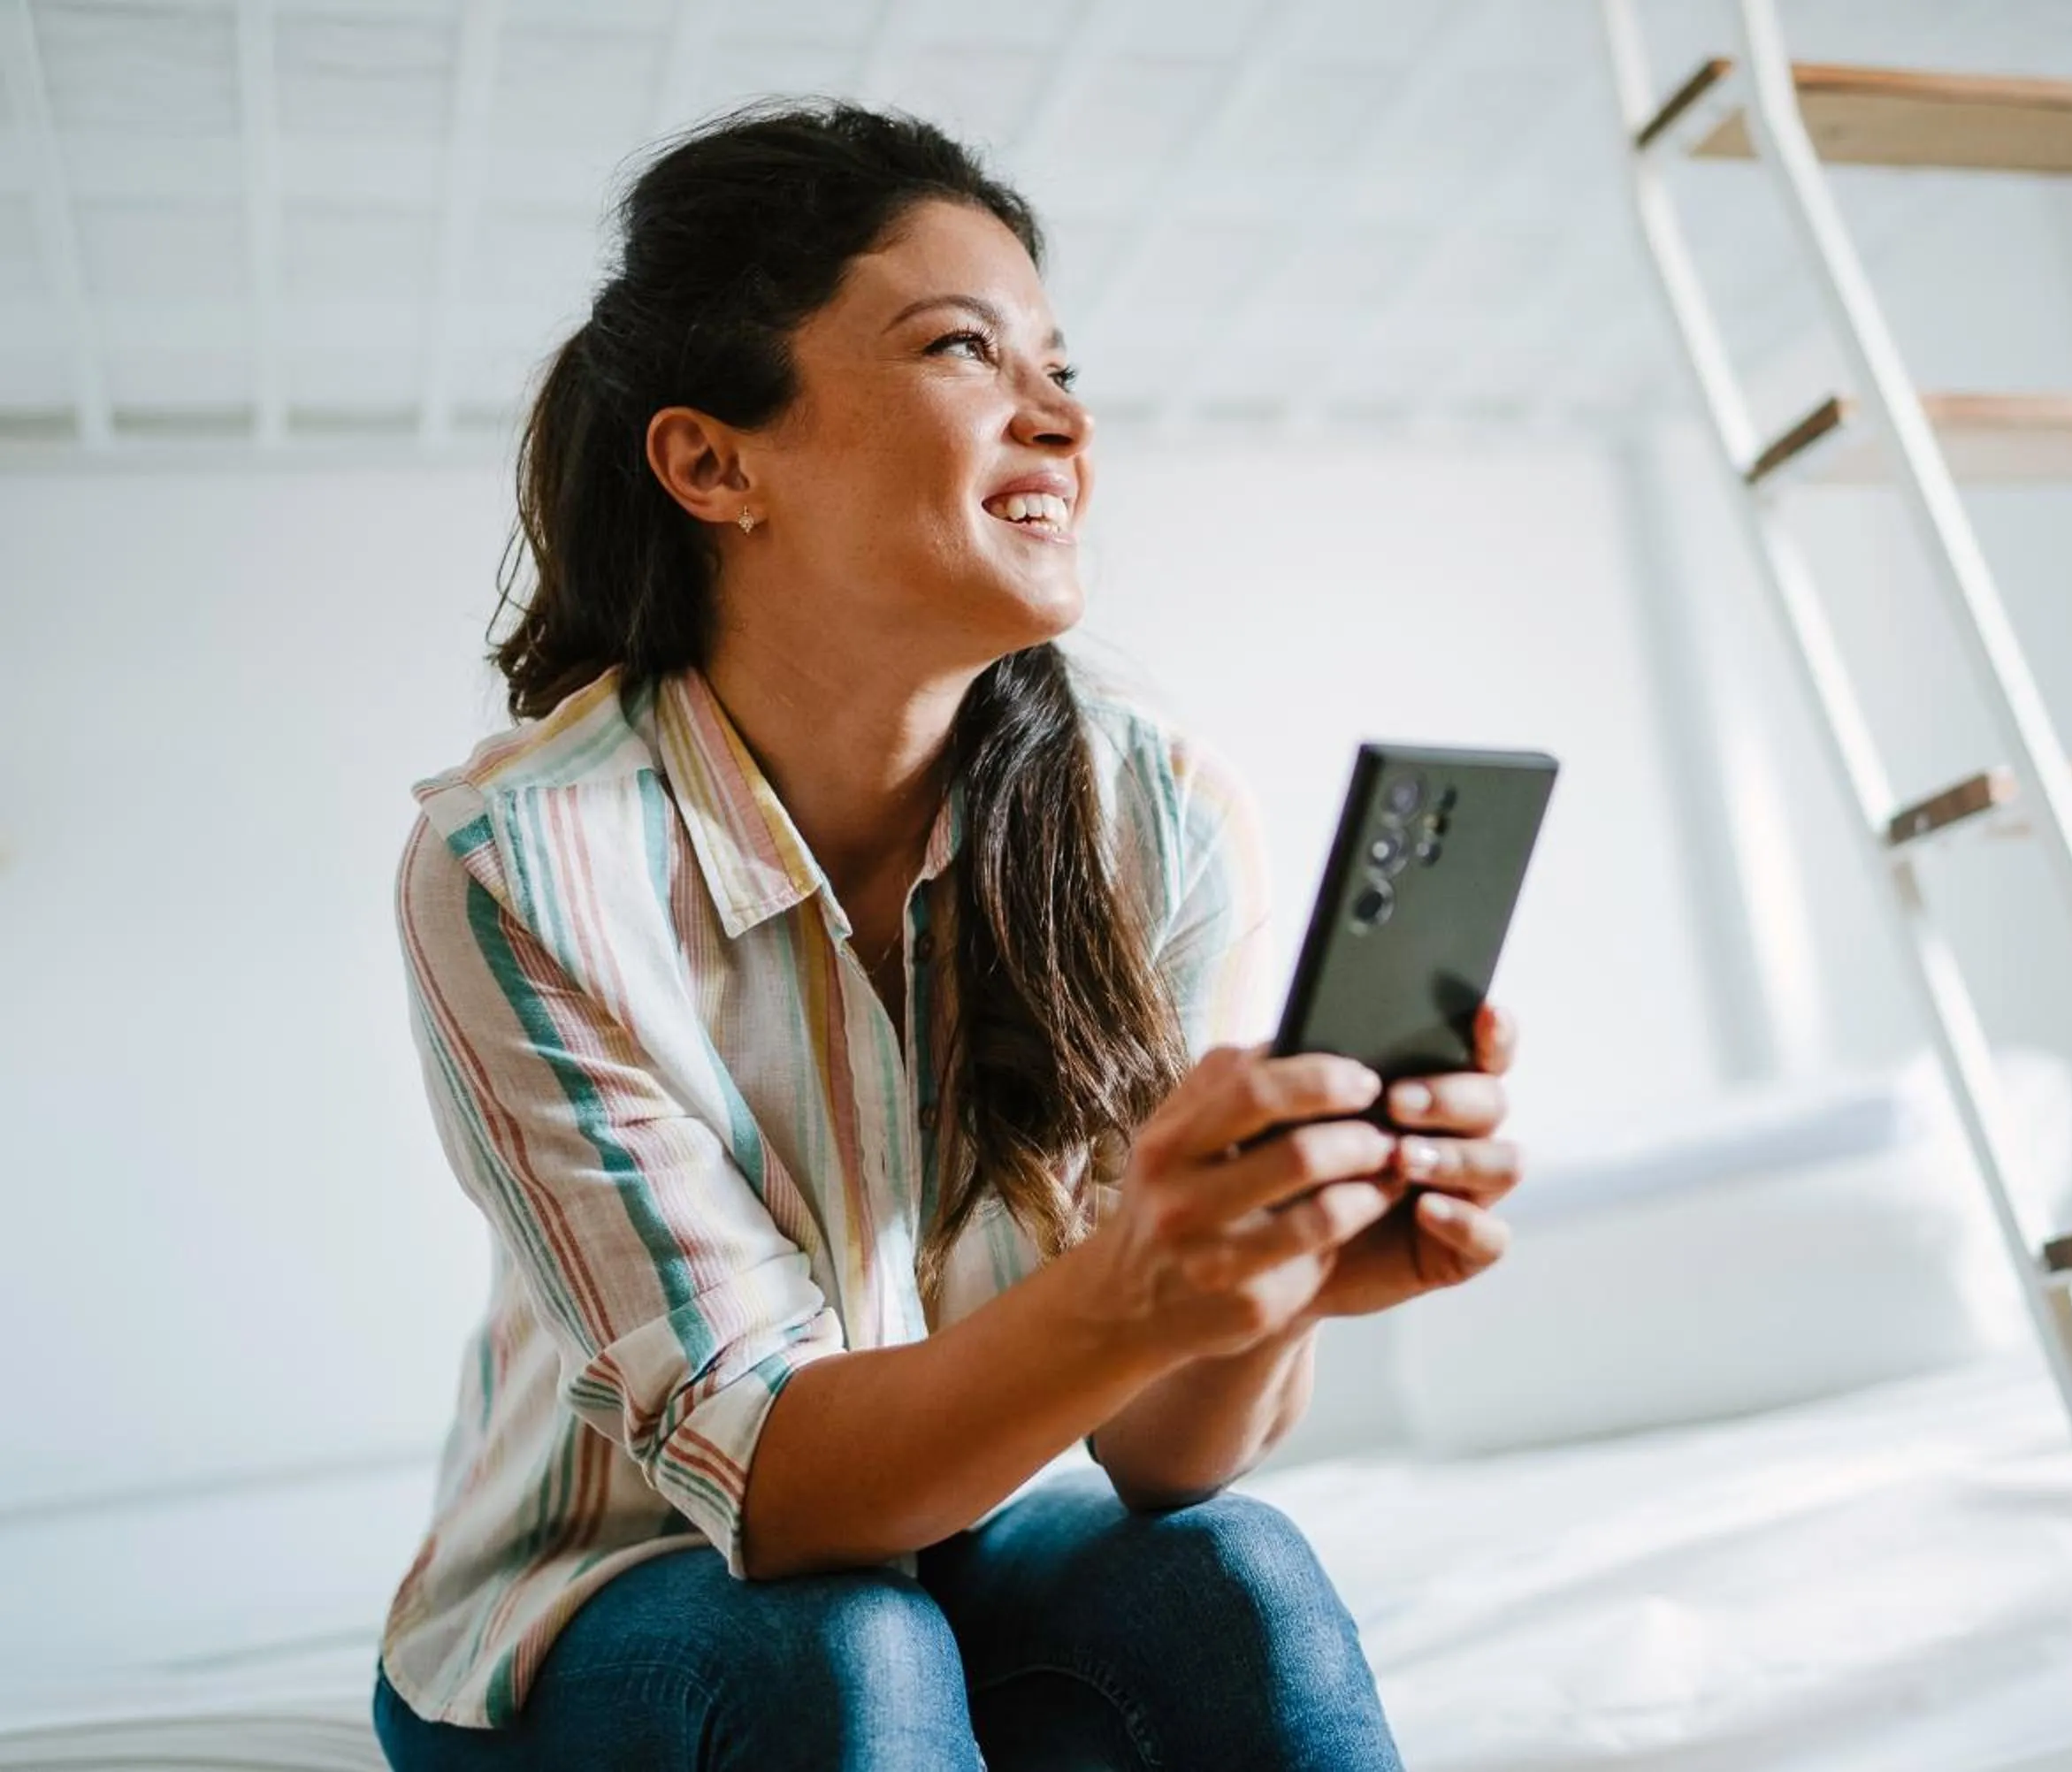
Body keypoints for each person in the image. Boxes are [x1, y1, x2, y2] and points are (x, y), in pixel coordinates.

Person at [366, 100, 1525, 1771]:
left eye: (1062, 364)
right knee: (843, 1658)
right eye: (967, 349)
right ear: (713, 463)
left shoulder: (1158, 811)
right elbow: (770, 1480)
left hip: (947, 1542)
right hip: (589, 1604)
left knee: (1236, 1576)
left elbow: (1163, 1458)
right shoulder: (518, 865)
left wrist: (1262, 1282)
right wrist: (1137, 1288)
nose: (1059, 413)